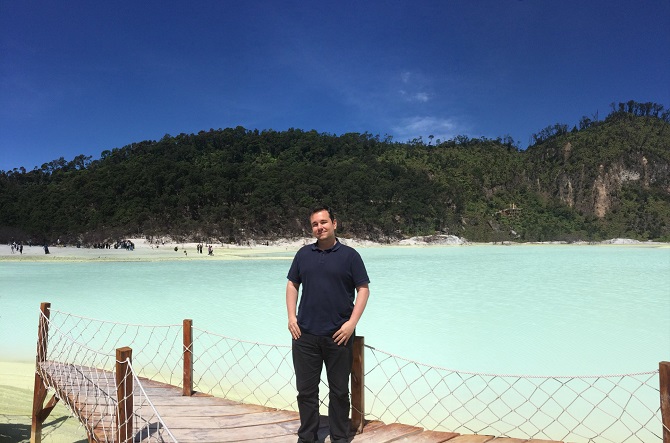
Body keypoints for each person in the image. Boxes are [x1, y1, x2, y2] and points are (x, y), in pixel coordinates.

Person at [286, 206, 370, 443]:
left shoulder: (350, 256)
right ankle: (307, 437)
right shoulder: (303, 254)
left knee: (340, 392)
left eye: (323, 222)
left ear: (334, 223)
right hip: (305, 335)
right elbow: (292, 285)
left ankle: (340, 438)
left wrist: (351, 324)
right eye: (314, 224)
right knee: (306, 392)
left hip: (339, 336)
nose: (319, 227)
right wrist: (292, 318)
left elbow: (363, 290)